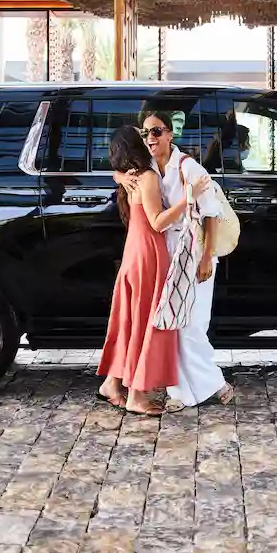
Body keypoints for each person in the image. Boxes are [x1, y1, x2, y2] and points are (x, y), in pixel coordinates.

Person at [97, 123, 198, 415]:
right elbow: (157, 222)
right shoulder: (148, 177)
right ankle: (137, 396)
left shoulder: (130, 177)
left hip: (133, 254)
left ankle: (112, 384)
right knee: (146, 321)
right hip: (148, 255)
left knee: (129, 320)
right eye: (143, 136)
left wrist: (116, 174)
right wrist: (186, 201)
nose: (149, 139)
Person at [143, 111, 233, 409]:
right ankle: (182, 392)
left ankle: (216, 385)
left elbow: (212, 213)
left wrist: (206, 258)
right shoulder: (150, 170)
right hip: (169, 253)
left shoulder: (188, 167)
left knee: (193, 325)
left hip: (195, 252)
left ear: (170, 134)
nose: (151, 139)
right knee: (175, 324)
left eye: (156, 132)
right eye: (145, 134)